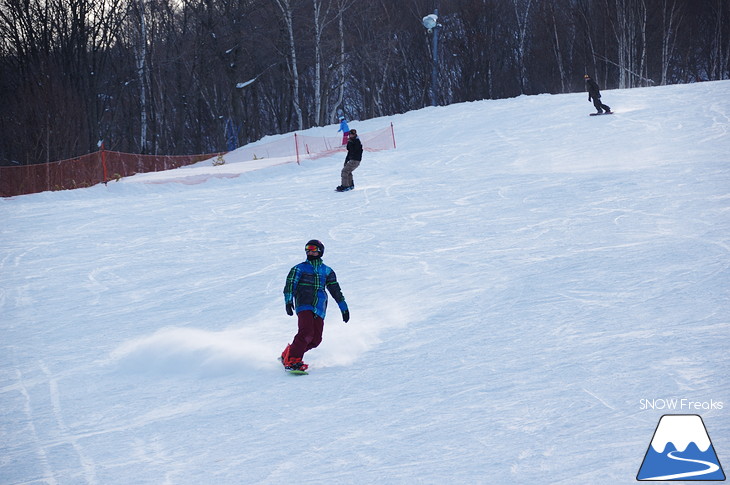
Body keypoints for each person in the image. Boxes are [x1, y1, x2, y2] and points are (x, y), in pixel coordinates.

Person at [280, 239, 349, 371]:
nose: (309, 252)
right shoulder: (299, 268)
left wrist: (343, 308)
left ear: (320, 251)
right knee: (306, 332)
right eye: (307, 249)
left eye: (313, 249)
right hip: (304, 304)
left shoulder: (327, 271)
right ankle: (293, 360)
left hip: (320, 307)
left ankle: (287, 354)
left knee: (315, 339)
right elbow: (290, 285)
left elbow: (335, 290)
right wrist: (288, 301)